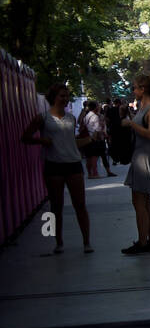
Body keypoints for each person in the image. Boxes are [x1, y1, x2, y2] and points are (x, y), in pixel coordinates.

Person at [20, 83, 93, 254]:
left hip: (73, 164)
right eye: (62, 96)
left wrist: (90, 140)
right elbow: (25, 137)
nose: (65, 99)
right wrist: (41, 141)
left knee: (80, 205)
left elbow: (71, 142)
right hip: (53, 165)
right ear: (53, 97)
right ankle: (58, 242)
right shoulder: (42, 118)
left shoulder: (71, 118)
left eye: (67, 96)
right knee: (55, 206)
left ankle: (87, 242)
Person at [122, 73, 150, 254]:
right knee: (144, 202)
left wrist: (131, 124)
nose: (133, 91)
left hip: (144, 159)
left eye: (135, 87)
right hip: (141, 156)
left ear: (142, 89)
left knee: (139, 202)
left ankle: (143, 242)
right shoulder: (143, 107)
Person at [81, 102, 104, 177]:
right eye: (98, 106)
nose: (99, 107)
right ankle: (95, 173)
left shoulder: (86, 116)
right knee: (94, 156)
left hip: (86, 138)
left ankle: (89, 174)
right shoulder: (95, 116)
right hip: (93, 139)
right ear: (95, 107)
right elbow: (97, 129)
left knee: (88, 157)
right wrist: (100, 137)